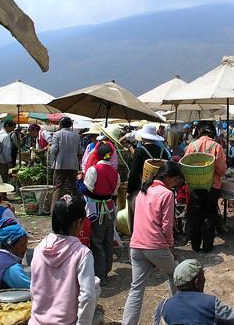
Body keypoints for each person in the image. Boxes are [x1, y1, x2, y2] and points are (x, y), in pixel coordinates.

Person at [121, 161, 183, 325]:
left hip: (136, 245)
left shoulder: (142, 191)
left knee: (136, 289)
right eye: (175, 180)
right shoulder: (166, 194)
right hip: (155, 245)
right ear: (166, 177)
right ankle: (180, 315)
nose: (175, 184)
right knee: (175, 275)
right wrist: (170, 246)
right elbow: (167, 225)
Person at [29, 195, 97, 325]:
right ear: (78, 222)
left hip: (36, 321)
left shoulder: (39, 249)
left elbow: (34, 287)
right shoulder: (82, 254)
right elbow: (87, 296)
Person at [155, 259, 234, 325]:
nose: (205, 279)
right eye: (203, 276)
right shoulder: (209, 303)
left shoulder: (162, 306)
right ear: (197, 282)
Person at [78, 142, 121, 286]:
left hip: (96, 210)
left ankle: (100, 275)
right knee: (108, 240)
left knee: (96, 242)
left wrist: (79, 180)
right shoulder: (115, 173)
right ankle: (106, 270)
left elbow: (86, 190)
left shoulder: (93, 170)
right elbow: (114, 192)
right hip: (109, 208)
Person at [185, 122, 227, 252]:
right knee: (210, 215)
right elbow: (221, 170)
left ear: (200, 132)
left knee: (195, 215)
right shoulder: (217, 147)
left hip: (194, 186)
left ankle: (195, 245)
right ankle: (207, 246)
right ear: (212, 134)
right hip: (212, 187)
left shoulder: (192, 145)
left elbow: (185, 165)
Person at [126, 124, 169, 233]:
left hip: (143, 188)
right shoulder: (162, 151)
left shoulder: (139, 151)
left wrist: (129, 190)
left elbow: (134, 172)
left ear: (143, 137)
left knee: (140, 216)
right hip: (159, 187)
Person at [50, 117, 84, 214]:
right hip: (73, 164)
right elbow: (79, 151)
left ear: (60, 124)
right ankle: (78, 208)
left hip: (60, 164)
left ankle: (54, 210)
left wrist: (49, 148)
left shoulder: (57, 134)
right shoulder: (76, 135)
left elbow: (54, 150)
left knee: (58, 187)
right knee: (74, 187)